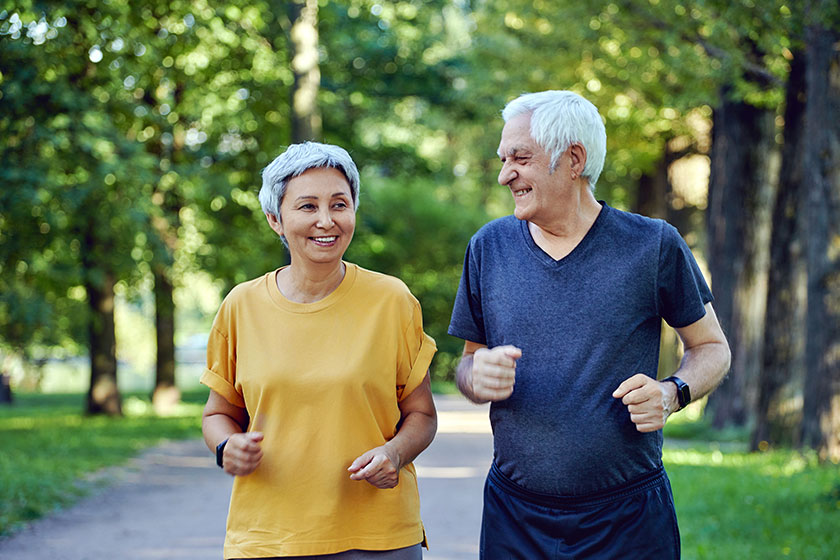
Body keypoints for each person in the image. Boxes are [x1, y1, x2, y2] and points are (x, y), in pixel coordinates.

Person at [448, 90, 731, 559]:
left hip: (628, 520)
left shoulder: (653, 245)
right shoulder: (488, 247)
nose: (504, 175)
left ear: (573, 158)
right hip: (514, 518)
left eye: (520, 157)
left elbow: (712, 348)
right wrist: (475, 376)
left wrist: (671, 392)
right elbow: (468, 366)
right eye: (503, 159)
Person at [201, 142, 438, 559]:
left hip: (377, 537)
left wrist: (393, 454)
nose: (326, 221)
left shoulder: (392, 300)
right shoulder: (241, 306)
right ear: (275, 219)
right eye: (307, 206)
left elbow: (421, 414)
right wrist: (227, 447)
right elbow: (218, 414)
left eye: (339, 204)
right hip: (268, 537)